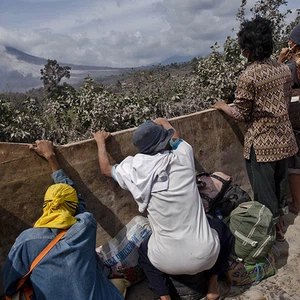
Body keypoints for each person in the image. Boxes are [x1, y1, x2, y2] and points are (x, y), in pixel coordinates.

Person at [93, 118, 233, 300]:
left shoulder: (133, 170)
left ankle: (164, 296)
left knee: (143, 250)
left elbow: (105, 169)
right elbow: (176, 137)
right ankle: (213, 284)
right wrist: (165, 123)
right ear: (164, 142)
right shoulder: (183, 156)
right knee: (221, 228)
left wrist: (100, 142)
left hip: (165, 261)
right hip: (205, 255)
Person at [2, 140, 124, 300]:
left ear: (46, 205)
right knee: (119, 284)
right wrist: (52, 158)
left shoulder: (26, 241)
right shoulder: (85, 226)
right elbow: (78, 203)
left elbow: (10, 284)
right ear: (72, 207)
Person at [212, 16, 298, 242]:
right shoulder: (283, 70)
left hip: (261, 144)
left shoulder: (248, 76)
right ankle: (281, 221)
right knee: (280, 185)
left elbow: (241, 113)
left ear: (249, 50)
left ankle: (273, 231)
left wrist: (223, 106)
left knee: (264, 191)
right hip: (285, 140)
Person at [278, 23, 300, 214]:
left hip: (296, 123)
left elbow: (274, 83)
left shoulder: (291, 67)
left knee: (294, 166)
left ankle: (297, 204)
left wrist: (280, 60)